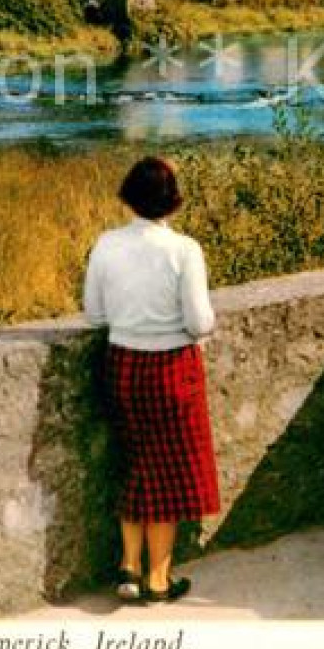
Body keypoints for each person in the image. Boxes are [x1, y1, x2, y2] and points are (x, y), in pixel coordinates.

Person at [82, 156, 219, 604]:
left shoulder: (106, 244)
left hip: (121, 363)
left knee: (136, 464)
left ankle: (128, 565)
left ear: (130, 196)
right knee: (168, 474)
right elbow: (199, 323)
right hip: (169, 368)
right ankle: (158, 579)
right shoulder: (185, 250)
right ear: (172, 200)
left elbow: (94, 313)